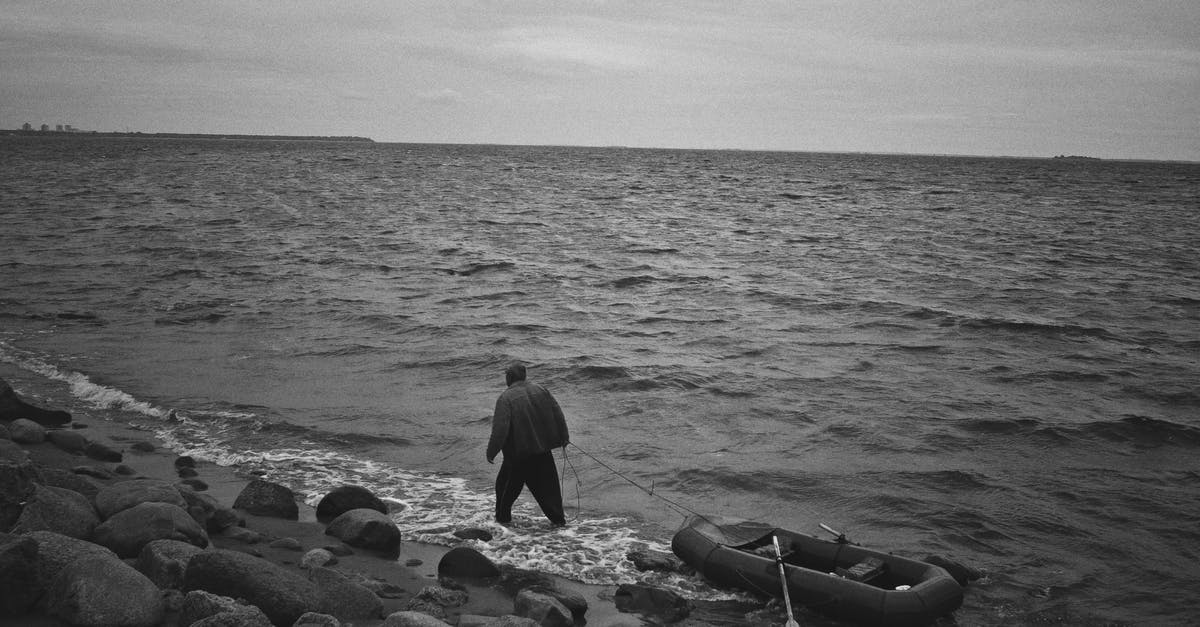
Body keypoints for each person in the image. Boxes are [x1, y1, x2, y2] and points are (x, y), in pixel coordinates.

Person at [486, 362, 570, 526]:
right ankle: (560, 523)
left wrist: (491, 452)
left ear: (509, 377)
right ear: (524, 376)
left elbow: (500, 430)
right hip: (543, 451)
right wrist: (564, 437)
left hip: (519, 454)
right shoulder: (541, 390)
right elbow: (558, 413)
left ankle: (502, 524)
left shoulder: (506, 398)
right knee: (550, 491)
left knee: (506, 489)